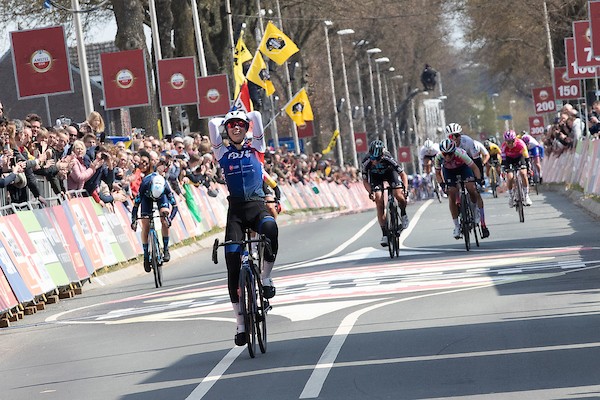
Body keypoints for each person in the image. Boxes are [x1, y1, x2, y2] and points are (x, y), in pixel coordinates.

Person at [208, 109, 279, 347]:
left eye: (240, 124)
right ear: (226, 130)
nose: (236, 128)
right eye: (231, 126)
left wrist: (246, 115)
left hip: (257, 207)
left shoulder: (256, 148)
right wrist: (226, 117)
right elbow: (211, 122)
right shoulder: (222, 151)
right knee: (232, 262)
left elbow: (257, 117)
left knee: (270, 229)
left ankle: (266, 279)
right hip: (236, 213)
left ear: (247, 127)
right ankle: (240, 324)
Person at [435, 138, 490, 239]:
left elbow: (475, 168)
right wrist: (442, 185)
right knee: (451, 193)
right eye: (445, 154)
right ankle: (456, 226)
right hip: (449, 172)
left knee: (471, 188)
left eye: (450, 154)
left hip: (464, 168)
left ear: (453, 152)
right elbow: (438, 173)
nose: (447, 157)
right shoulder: (438, 157)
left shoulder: (460, 154)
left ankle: (474, 210)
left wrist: (477, 181)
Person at [130, 161, 178, 272]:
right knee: (145, 224)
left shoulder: (165, 186)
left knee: (165, 216)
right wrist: (134, 221)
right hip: (146, 198)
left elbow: (175, 206)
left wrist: (169, 219)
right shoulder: (144, 185)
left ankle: (166, 249)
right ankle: (146, 256)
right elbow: (136, 206)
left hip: (161, 197)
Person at [361, 139, 409, 247]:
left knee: (398, 195)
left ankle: (403, 212)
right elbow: (365, 181)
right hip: (376, 177)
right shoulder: (366, 161)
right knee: (379, 200)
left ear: (382, 155)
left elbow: (403, 175)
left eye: (377, 159)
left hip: (390, 174)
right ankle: (385, 234)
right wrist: (371, 192)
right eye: (373, 158)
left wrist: (405, 189)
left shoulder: (388, 158)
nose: (375, 161)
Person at [501, 130, 532, 207]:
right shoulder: (504, 147)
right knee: (510, 177)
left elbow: (526, 157)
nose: (510, 144)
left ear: (515, 139)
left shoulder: (521, 144)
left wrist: (528, 168)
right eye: (508, 142)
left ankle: (526, 195)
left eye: (512, 141)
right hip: (509, 159)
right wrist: (504, 169)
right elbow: (503, 161)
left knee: (523, 173)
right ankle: (511, 196)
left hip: (519, 157)